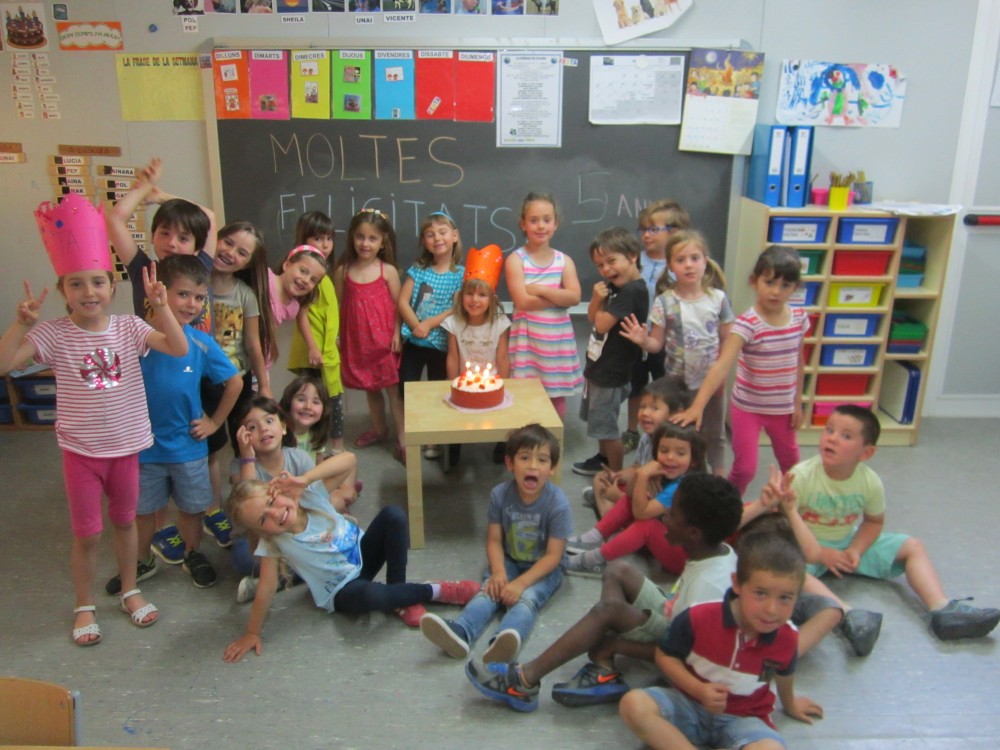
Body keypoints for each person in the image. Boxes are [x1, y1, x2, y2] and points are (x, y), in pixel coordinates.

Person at [0, 195, 190, 645]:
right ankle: (84, 604)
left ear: (112, 287)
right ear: (62, 290)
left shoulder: (129, 327)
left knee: (125, 523)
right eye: (76, 284)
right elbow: (5, 364)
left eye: (98, 282)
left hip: (126, 448)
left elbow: (178, 347)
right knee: (87, 534)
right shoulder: (52, 334)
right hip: (82, 453)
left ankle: (130, 589)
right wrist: (20, 324)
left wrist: (161, 306)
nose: (89, 292)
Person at [464, 474, 742, 712]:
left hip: (678, 645)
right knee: (618, 570)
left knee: (608, 611)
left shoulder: (706, 593)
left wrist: (616, 644)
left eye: (672, 513)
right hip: (675, 613)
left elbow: (682, 657)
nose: (664, 515)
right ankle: (603, 667)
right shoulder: (717, 551)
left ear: (693, 533)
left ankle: (524, 681)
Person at [786, 404, 1000, 641]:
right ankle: (849, 616)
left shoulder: (870, 481)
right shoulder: (801, 476)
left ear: (866, 453)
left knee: (913, 546)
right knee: (788, 572)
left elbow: (873, 522)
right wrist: (820, 553)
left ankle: (942, 609)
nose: (832, 438)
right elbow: (783, 523)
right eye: (829, 430)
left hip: (846, 541)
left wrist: (856, 549)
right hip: (804, 547)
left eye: (845, 436)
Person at [105, 156, 222, 563]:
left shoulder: (201, 265)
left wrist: (162, 196)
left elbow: (208, 217)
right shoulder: (144, 267)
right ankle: (160, 527)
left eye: (183, 237)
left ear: (196, 244)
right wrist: (143, 190)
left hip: (197, 372)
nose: (172, 242)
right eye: (164, 232)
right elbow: (115, 219)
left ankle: (203, 513)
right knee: (151, 456)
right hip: (152, 371)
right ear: (153, 235)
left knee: (199, 446)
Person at [222, 478, 480, 661]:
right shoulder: (272, 542)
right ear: (260, 531)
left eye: (271, 501)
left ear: (278, 490)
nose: (274, 513)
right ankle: (436, 591)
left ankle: (398, 594)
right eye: (263, 519)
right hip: (342, 590)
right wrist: (252, 632)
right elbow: (266, 588)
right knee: (370, 595)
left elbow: (347, 460)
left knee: (393, 515)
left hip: (363, 557)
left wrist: (304, 479)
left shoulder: (310, 496)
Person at [104, 256, 241, 595]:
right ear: (159, 292)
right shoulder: (133, 339)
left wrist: (214, 422)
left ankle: (193, 554)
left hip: (187, 448)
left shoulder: (200, 343)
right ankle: (143, 560)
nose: (192, 304)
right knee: (143, 512)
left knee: (192, 510)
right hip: (143, 450)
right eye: (183, 294)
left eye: (199, 297)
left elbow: (235, 382)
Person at [618, 527, 823, 749]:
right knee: (634, 704)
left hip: (744, 719)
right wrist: (698, 689)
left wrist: (790, 705)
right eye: (760, 593)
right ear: (737, 584)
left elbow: (785, 673)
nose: (771, 609)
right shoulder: (698, 617)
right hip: (689, 705)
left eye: (785, 598)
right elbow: (665, 656)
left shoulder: (787, 637)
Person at [419, 424, 571, 666]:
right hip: (510, 559)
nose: (533, 466)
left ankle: (504, 640)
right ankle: (462, 631)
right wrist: (499, 572)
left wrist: (520, 583)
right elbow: (493, 540)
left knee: (526, 600)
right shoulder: (500, 495)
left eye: (542, 460)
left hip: (544, 567)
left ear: (552, 468)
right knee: (489, 590)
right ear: (510, 463)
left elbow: (553, 556)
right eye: (524, 458)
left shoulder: (557, 504)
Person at [672, 245, 808, 495]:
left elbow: (798, 362)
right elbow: (721, 366)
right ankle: (727, 504)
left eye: (785, 285)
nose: (776, 291)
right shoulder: (747, 324)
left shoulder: (799, 317)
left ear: (795, 288)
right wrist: (697, 406)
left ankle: (791, 506)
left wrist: (797, 403)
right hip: (748, 408)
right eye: (769, 282)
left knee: (792, 466)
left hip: (783, 409)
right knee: (745, 469)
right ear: (754, 281)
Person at [227, 397, 362, 603]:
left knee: (312, 542)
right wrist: (247, 457)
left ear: (283, 427)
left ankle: (279, 580)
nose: (263, 429)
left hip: (299, 531)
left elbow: (315, 498)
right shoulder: (242, 466)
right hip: (262, 537)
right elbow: (246, 497)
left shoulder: (298, 457)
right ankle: (289, 574)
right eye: (252, 427)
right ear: (243, 437)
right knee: (242, 559)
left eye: (269, 421)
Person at [621, 229, 734, 475]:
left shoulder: (718, 299)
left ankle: (717, 479)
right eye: (681, 260)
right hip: (678, 385)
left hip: (711, 383)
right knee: (680, 435)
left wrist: (722, 377)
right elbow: (656, 344)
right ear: (670, 266)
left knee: (714, 434)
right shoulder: (665, 301)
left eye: (695, 258)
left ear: (705, 261)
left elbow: (728, 341)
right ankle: (678, 481)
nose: (689, 265)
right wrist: (643, 340)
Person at [202, 220, 276, 549]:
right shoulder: (195, 283)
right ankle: (211, 509)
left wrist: (265, 386)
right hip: (201, 381)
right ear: (215, 239)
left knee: (245, 442)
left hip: (239, 380)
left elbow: (253, 344)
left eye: (242, 252)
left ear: (247, 263)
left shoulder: (245, 295)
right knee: (209, 446)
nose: (231, 253)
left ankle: (251, 501)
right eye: (228, 243)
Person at [565, 422, 704, 578]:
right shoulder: (664, 474)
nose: (670, 457)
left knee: (647, 526)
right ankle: (593, 538)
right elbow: (630, 495)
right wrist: (640, 475)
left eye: (680, 453)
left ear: (694, 460)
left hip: (686, 561)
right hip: (669, 537)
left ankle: (594, 560)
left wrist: (643, 475)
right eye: (664, 450)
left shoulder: (682, 486)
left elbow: (641, 514)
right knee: (630, 497)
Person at [572, 227, 649, 477]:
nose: (606, 269)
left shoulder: (632, 290)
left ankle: (615, 478)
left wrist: (597, 299)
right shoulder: (616, 286)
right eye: (600, 265)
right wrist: (597, 300)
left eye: (612, 261)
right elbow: (592, 317)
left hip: (612, 373)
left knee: (607, 428)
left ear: (633, 256)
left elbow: (602, 323)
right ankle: (602, 461)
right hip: (601, 367)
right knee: (600, 424)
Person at [333, 208, 406, 462]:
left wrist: (397, 333)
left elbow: (399, 305)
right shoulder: (343, 271)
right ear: (352, 238)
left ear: (383, 242)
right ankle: (379, 429)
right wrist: (339, 335)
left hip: (385, 341)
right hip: (359, 341)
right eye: (360, 237)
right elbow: (339, 305)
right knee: (370, 389)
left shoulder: (388, 271)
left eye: (372, 238)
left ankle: (403, 439)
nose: (365, 243)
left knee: (393, 390)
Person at [621, 200, 691, 454]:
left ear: (674, 232)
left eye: (653, 229)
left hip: (668, 342)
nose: (646, 235)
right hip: (637, 338)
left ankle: (666, 433)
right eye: (643, 229)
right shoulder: (634, 261)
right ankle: (632, 431)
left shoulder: (680, 265)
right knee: (636, 388)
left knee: (667, 391)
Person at [505, 191, 583, 419]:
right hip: (527, 343)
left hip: (556, 344)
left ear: (555, 224)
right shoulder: (516, 260)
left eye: (547, 220)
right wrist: (559, 297)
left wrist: (541, 289)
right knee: (524, 398)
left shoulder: (564, 261)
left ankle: (552, 438)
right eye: (534, 220)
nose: (541, 226)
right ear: (523, 224)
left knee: (555, 398)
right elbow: (523, 301)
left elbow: (575, 298)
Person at [397, 212, 464, 461]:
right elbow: (402, 301)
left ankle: (433, 438)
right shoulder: (419, 270)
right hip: (415, 341)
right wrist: (416, 325)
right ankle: (414, 432)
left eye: (442, 232)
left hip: (441, 344)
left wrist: (428, 324)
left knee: (438, 390)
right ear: (424, 241)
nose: (437, 238)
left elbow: (456, 308)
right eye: (430, 234)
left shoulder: (461, 274)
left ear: (454, 236)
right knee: (407, 387)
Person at [583, 375, 691, 520]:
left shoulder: (675, 447)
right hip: (639, 490)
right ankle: (609, 519)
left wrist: (618, 496)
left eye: (654, 408)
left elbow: (656, 496)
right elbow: (636, 467)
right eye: (642, 406)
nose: (645, 413)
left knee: (619, 495)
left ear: (676, 414)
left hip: (656, 507)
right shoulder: (646, 437)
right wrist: (618, 476)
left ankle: (612, 517)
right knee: (601, 478)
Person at [442, 253, 511, 465]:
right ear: (461, 296)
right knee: (457, 416)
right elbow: (453, 356)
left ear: (492, 299)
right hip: (464, 383)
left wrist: (503, 385)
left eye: (482, 295)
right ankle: (454, 444)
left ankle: (502, 443)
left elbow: (503, 356)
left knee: (501, 415)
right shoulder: (453, 322)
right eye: (469, 293)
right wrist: (451, 384)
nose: (474, 300)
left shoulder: (499, 323)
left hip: (492, 382)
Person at [286, 211, 345, 453]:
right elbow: (301, 314)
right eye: (318, 238)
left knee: (334, 399)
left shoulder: (323, 275)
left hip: (327, 350)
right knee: (312, 402)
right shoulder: (308, 275)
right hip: (314, 354)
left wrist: (335, 337)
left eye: (329, 238)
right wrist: (312, 347)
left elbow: (329, 312)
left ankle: (335, 448)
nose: (325, 244)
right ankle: (310, 448)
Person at [279, 375, 361, 507]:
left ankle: (346, 490)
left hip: (312, 479)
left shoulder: (315, 432)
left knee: (348, 461)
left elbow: (319, 466)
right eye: (301, 399)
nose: (308, 406)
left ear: (323, 410)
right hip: (297, 490)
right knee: (338, 501)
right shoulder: (280, 435)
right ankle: (346, 494)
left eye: (315, 402)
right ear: (288, 403)